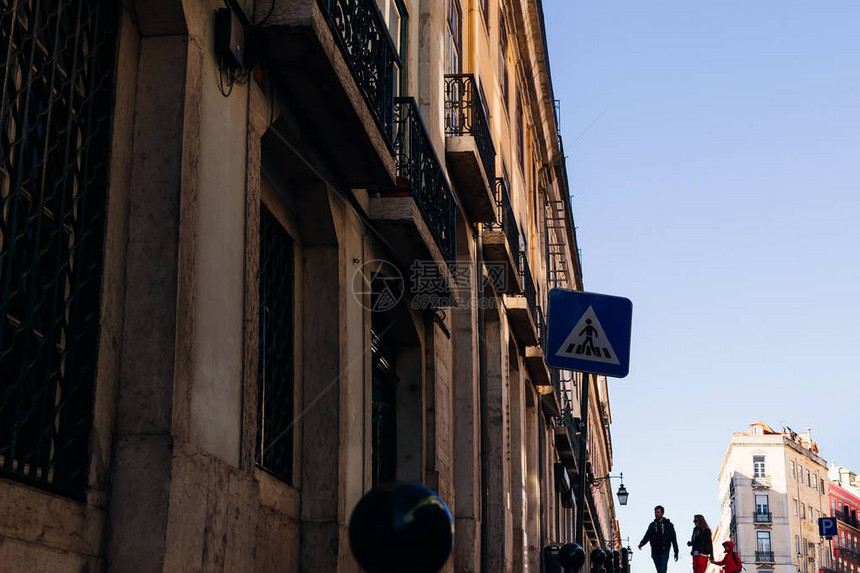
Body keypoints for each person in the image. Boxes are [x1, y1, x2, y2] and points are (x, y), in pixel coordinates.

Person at [639, 505, 679, 573]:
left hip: (664, 550)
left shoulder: (669, 525)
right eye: (655, 512)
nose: (656, 514)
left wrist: (676, 552)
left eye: (658, 512)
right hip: (655, 551)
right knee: (659, 570)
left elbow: (673, 539)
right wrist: (642, 543)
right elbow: (648, 535)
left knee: (662, 570)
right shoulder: (652, 525)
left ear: (662, 513)